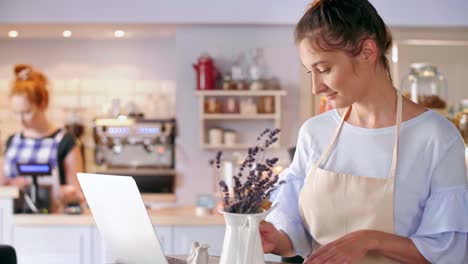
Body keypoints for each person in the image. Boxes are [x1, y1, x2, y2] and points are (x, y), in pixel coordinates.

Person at [260, 0, 468, 263]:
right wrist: (277, 240)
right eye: (310, 72)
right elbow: (296, 232)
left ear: (367, 51)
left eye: (324, 69)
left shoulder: (436, 137)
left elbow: (449, 250)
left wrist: (370, 240)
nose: (316, 87)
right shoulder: (315, 133)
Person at [0, 64, 84, 212]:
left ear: (43, 104)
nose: (21, 120)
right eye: (16, 113)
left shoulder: (65, 142)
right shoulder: (12, 141)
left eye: (26, 112)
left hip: (51, 222)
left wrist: (57, 192)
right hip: (12, 223)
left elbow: (78, 194)